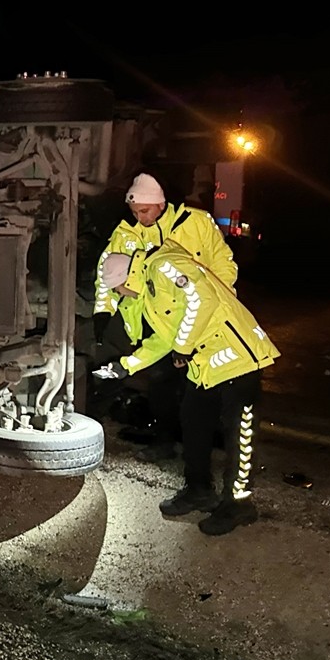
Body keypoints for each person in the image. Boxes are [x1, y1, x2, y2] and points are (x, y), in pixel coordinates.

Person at [93, 245, 278, 535]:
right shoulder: (151, 296)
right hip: (205, 369)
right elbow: (164, 340)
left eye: (118, 289)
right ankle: (198, 489)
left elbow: (202, 299)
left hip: (239, 361)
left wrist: (183, 346)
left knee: (239, 438)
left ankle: (238, 504)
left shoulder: (164, 266)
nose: (120, 296)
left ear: (127, 279)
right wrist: (125, 365)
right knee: (194, 427)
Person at [91, 172, 239, 462]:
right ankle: (166, 441)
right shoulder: (127, 233)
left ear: (160, 204)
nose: (140, 217)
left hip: (198, 320)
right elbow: (105, 272)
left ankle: (204, 444)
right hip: (155, 321)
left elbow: (223, 264)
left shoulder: (195, 223)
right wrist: (103, 309)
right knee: (161, 384)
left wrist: (220, 308)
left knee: (200, 386)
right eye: (134, 212)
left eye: (144, 211)